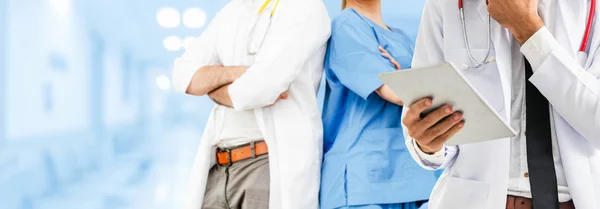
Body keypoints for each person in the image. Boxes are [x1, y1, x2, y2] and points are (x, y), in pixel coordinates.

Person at [403, 0, 600, 208]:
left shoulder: (590, 7)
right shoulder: (446, 4)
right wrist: (427, 145)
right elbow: (427, 136)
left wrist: (528, 30)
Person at [171, 0, 331, 208]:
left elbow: (259, 89)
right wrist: (238, 73)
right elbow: (183, 76)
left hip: (264, 166)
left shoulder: (303, 7)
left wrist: (210, 85)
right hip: (219, 168)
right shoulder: (232, 11)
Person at [319, 1, 438, 209]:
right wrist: (407, 81)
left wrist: (402, 78)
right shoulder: (346, 25)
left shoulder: (402, 38)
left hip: (411, 178)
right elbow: (401, 94)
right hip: (362, 183)